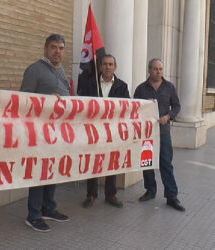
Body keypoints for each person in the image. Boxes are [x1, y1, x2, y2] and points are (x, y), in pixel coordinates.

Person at [20, 34, 70, 232]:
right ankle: (34, 215)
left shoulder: (62, 70)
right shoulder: (34, 70)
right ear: (45, 48)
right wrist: (45, 100)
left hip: (58, 132)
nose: (57, 51)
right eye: (53, 47)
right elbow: (24, 100)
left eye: (60, 48)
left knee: (53, 171)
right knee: (39, 173)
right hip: (39, 133)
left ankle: (49, 208)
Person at [77, 54, 130, 209]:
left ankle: (110, 195)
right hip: (93, 131)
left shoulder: (122, 86)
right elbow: (82, 104)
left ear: (115, 67)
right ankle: (91, 195)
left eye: (111, 64)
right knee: (93, 162)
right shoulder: (89, 84)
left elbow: (127, 107)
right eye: (105, 64)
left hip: (112, 131)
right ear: (100, 66)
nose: (108, 67)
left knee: (111, 162)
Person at [134, 58, 185, 212]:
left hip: (163, 132)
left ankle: (171, 196)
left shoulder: (169, 87)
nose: (158, 72)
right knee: (147, 162)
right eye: (155, 69)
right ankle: (150, 190)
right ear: (149, 70)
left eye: (160, 69)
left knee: (166, 163)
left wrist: (168, 116)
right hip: (147, 133)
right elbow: (134, 108)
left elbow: (176, 106)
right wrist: (144, 105)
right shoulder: (141, 89)